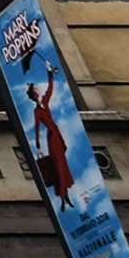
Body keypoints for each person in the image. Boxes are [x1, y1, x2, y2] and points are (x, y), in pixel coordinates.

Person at [29, 59, 75, 209]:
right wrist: (38, 145)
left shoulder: (45, 103)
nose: (38, 90)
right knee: (58, 166)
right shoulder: (37, 111)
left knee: (63, 165)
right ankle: (63, 198)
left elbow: (50, 89)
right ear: (34, 94)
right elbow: (36, 127)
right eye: (36, 89)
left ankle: (65, 196)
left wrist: (49, 73)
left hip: (57, 134)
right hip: (52, 138)